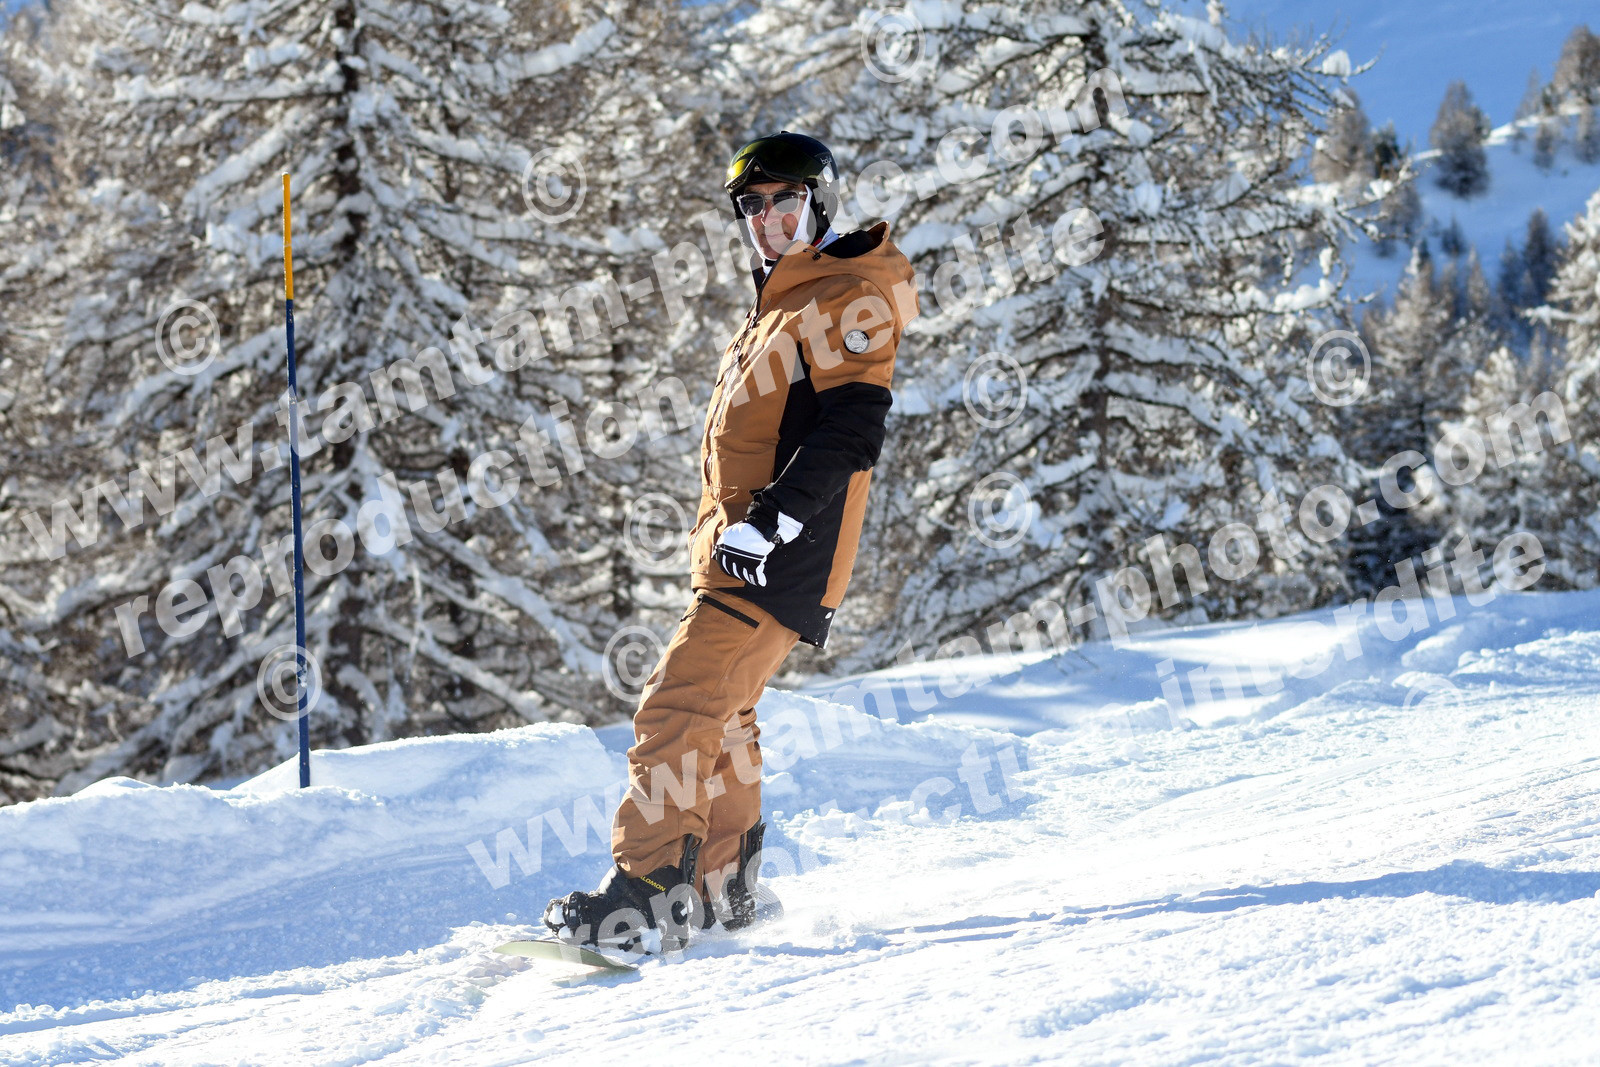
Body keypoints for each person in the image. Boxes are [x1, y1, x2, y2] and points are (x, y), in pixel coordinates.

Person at [543, 131, 918, 953]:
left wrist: (774, 520)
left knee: (676, 706)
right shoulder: (778, 303)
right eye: (753, 206)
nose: (768, 218)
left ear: (820, 202)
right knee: (725, 716)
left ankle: (647, 893)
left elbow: (854, 429)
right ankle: (722, 888)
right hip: (741, 551)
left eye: (786, 200)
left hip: (779, 552)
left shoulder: (842, 294)